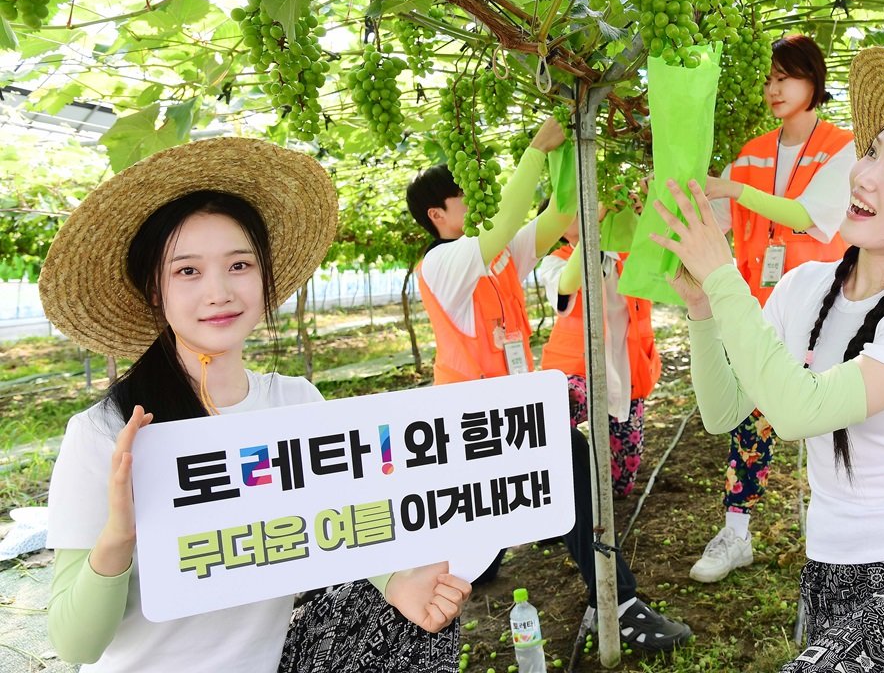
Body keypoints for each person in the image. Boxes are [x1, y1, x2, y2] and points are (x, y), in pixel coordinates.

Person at [40, 137, 471, 673]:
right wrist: (119, 537)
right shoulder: (105, 433)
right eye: (187, 271)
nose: (219, 292)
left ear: (263, 274)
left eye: (239, 265)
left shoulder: (296, 404)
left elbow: (344, 524)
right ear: (154, 289)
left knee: (418, 627)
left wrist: (398, 584)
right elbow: (75, 646)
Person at [649, 47, 884, 671]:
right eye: (872, 153)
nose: (864, 175)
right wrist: (704, 308)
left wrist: (724, 275)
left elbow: (797, 412)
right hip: (831, 572)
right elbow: (725, 410)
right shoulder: (803, 288)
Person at [405, 119, 691, 653]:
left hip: (511, 413)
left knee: (569, 471)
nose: (477, 201)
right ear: (436, 215)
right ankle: (610, 601)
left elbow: (557, 216)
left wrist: (578, 158)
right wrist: (536, 148)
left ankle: (613, 600)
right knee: (507, 511)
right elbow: (507, 220)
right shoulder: (444, 262)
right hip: (471, 419)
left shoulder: (496, 258)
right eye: (463, 196)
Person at [693, 33, 855, 583]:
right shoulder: (751, 152)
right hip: (762, 309)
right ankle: (735, 533)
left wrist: (732, 191)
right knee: (750, 417)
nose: (773, 89)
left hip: (824, 311)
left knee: (834, 423)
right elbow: (717, 220)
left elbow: (809, 216)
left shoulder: (843, 148)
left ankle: (844, 533)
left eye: (785, 77)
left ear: (814, 81)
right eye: (768, 79)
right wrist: (681, 203)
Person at [538, 208, 660, 498]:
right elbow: (566, 288)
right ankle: (558, 490)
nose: (580, 212)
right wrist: (594, 229)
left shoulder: (628, 256)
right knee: (560, 411)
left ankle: (600, 495)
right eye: (568, 212)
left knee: (622, 480)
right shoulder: (556, 263)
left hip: (627, 370)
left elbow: (664, 261)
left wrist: (644, 216)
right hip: (578, 371)